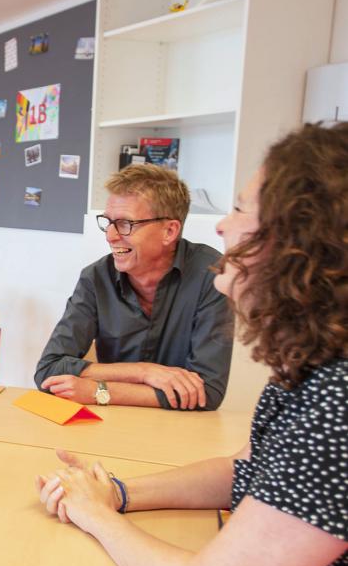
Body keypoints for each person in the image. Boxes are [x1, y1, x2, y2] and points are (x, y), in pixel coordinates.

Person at [2, 123, 348, 566]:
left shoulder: (335, 406)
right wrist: (122, 492)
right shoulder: (313, 367)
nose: (222, 225)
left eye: (240, 208)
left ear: (296, 241)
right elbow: (243, 471)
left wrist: (94, 512)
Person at [34, 164, 232, 410]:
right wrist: (143, 372)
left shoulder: (212, 277)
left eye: (125, 223)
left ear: (169, 230)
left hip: (182, 431)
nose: (110, 235)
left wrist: (99, 389)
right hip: (110, 426)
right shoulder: (95, 278)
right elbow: (48, 370)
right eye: (107, 222)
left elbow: (207, 392)